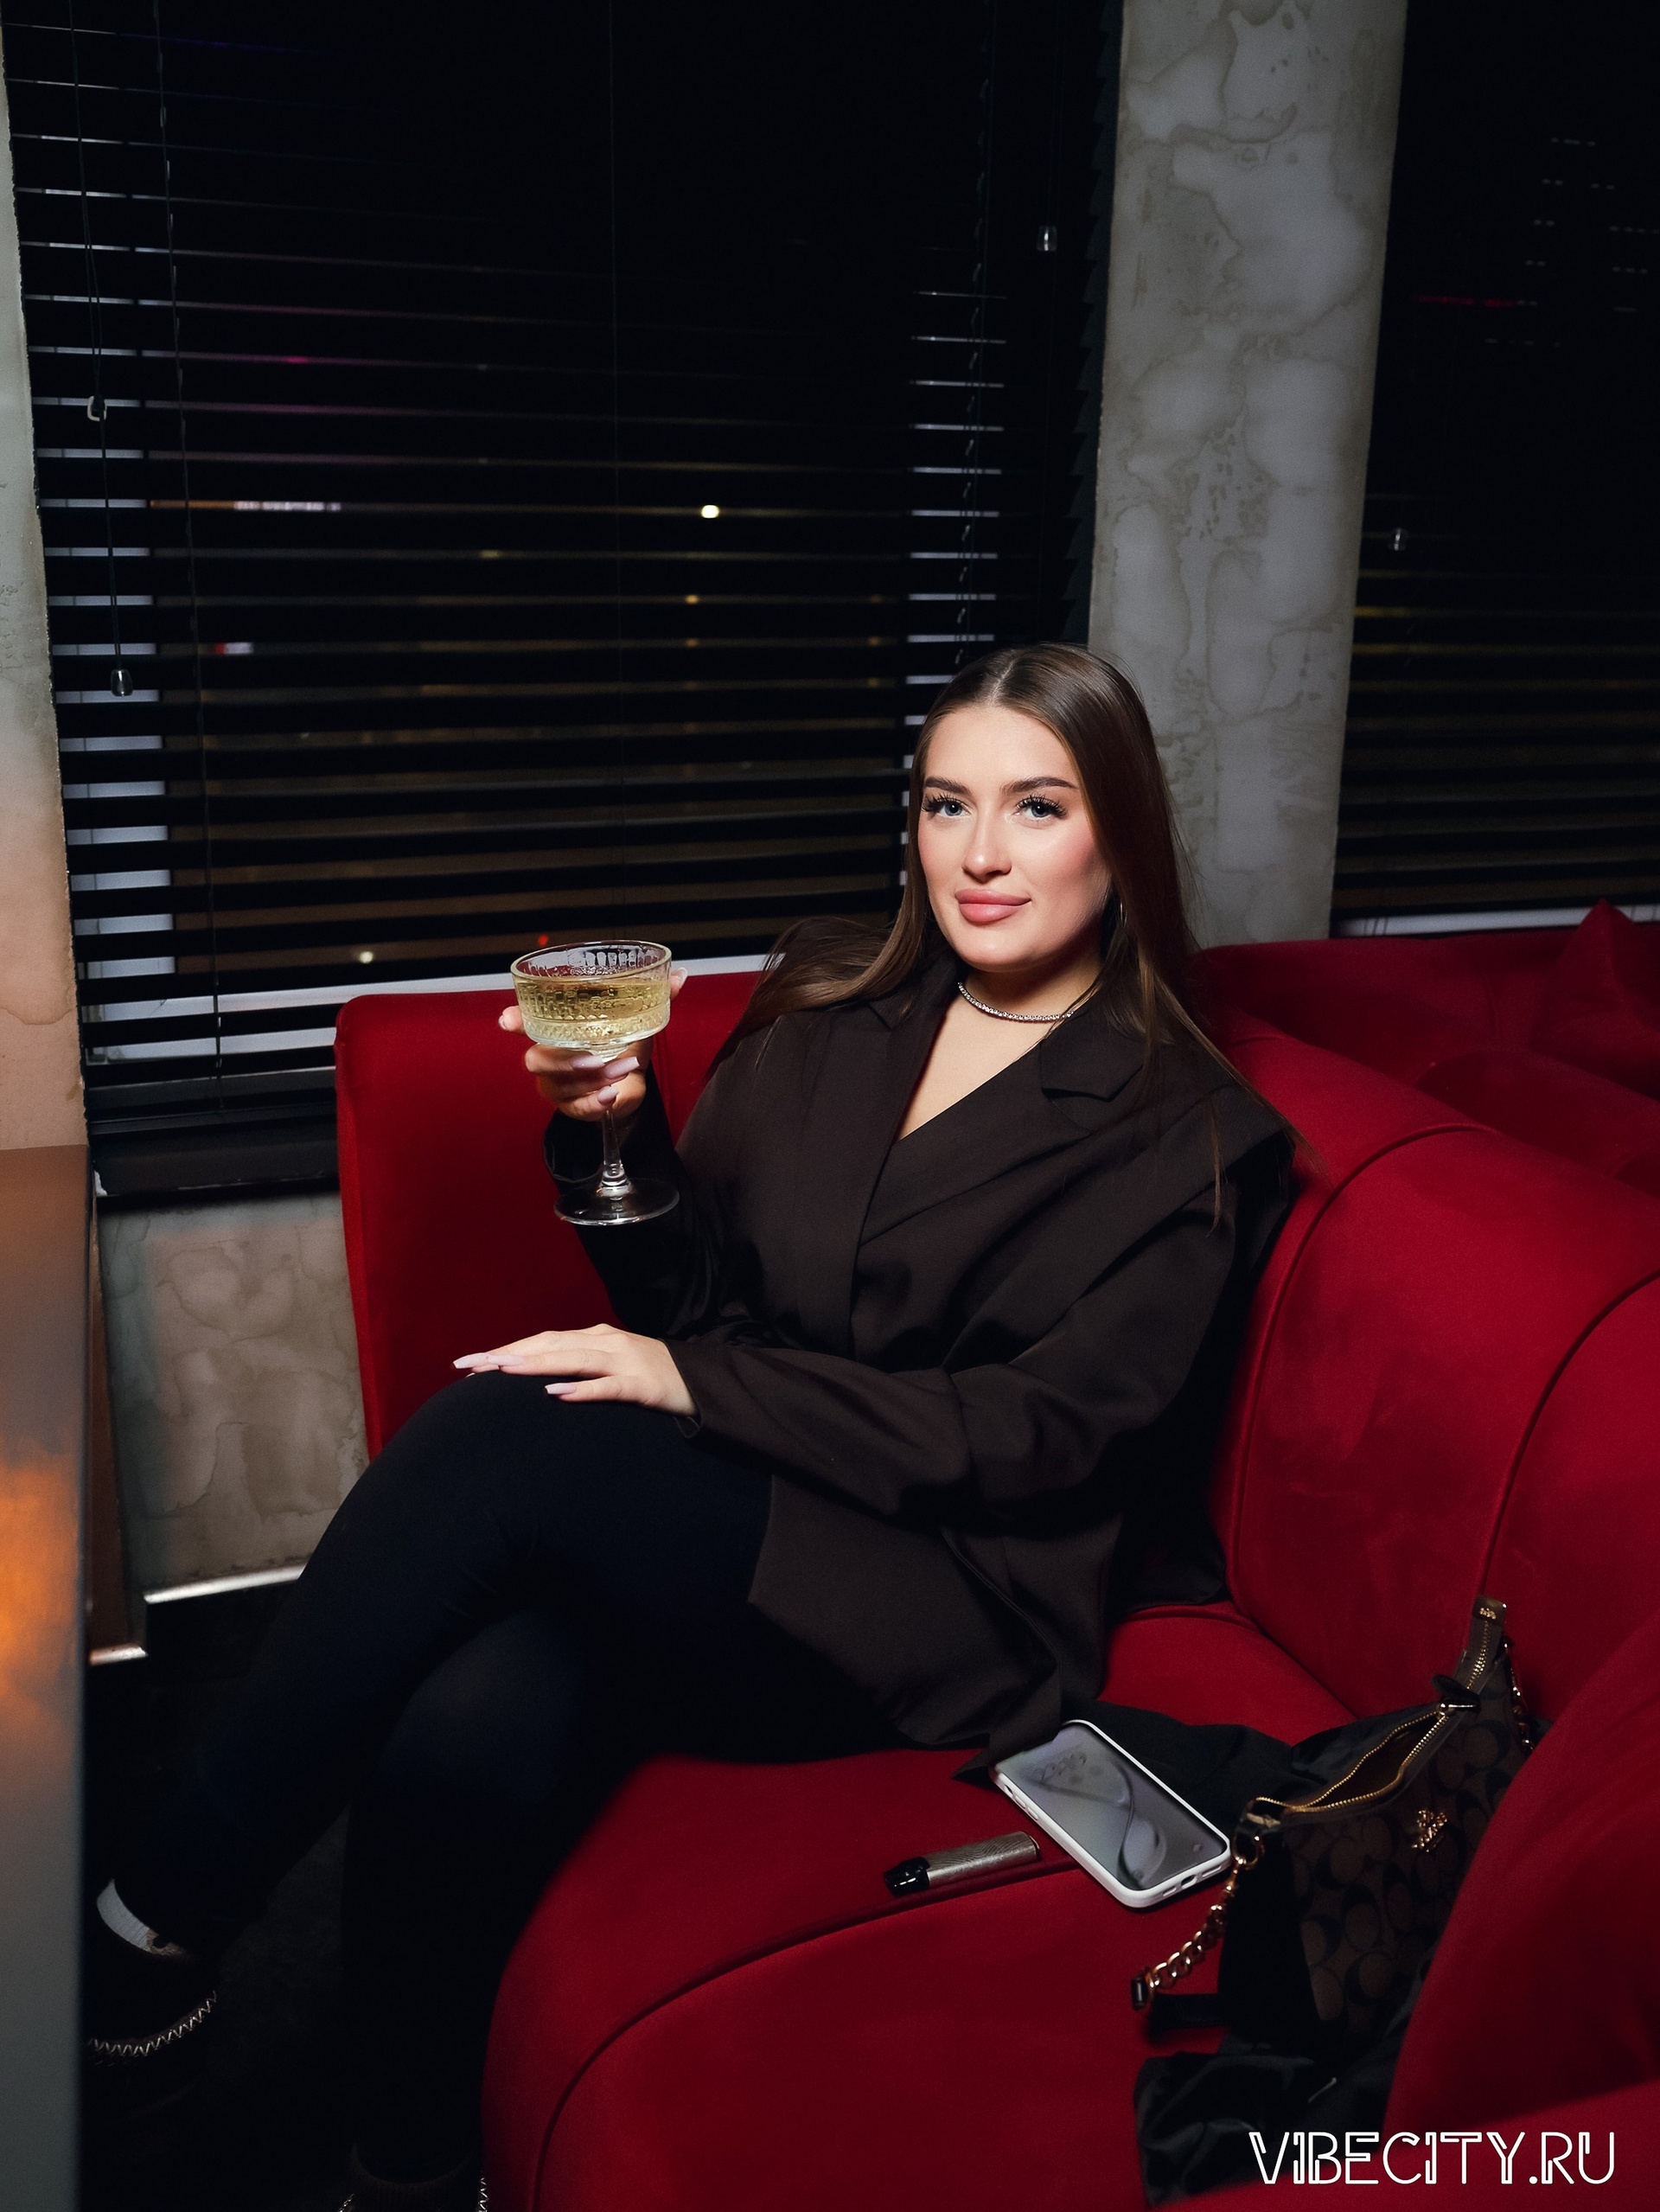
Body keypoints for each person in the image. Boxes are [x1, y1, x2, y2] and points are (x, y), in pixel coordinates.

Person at [84, 644, 1293, 2212]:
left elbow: (1036, 1435)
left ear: (1119, 835)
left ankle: (149, 1923)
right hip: (745, 1501)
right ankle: (408, 2172)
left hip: (942, 1585)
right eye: (947, 804)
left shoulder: (1192, 1132)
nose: (981, 853)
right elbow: (709, 1297)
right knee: (472, 1711)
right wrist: (618, 1140)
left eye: (1037, 806)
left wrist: (693, 1383)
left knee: (520, 1424)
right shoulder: (834, 1000)